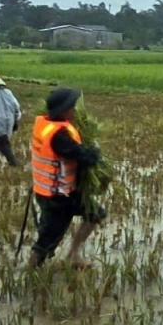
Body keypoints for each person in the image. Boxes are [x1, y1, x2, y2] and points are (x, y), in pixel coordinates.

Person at [28, 87, 107, 269]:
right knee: (47, 240)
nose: (74, 110)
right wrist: (95, 149)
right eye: (72, 107)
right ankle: (31, 272)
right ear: (64, 111)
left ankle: (73, 255)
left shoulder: (44, 124)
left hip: (59, 192)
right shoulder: (59, 136)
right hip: (56, 197)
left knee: (95, 213)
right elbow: (86, 158)